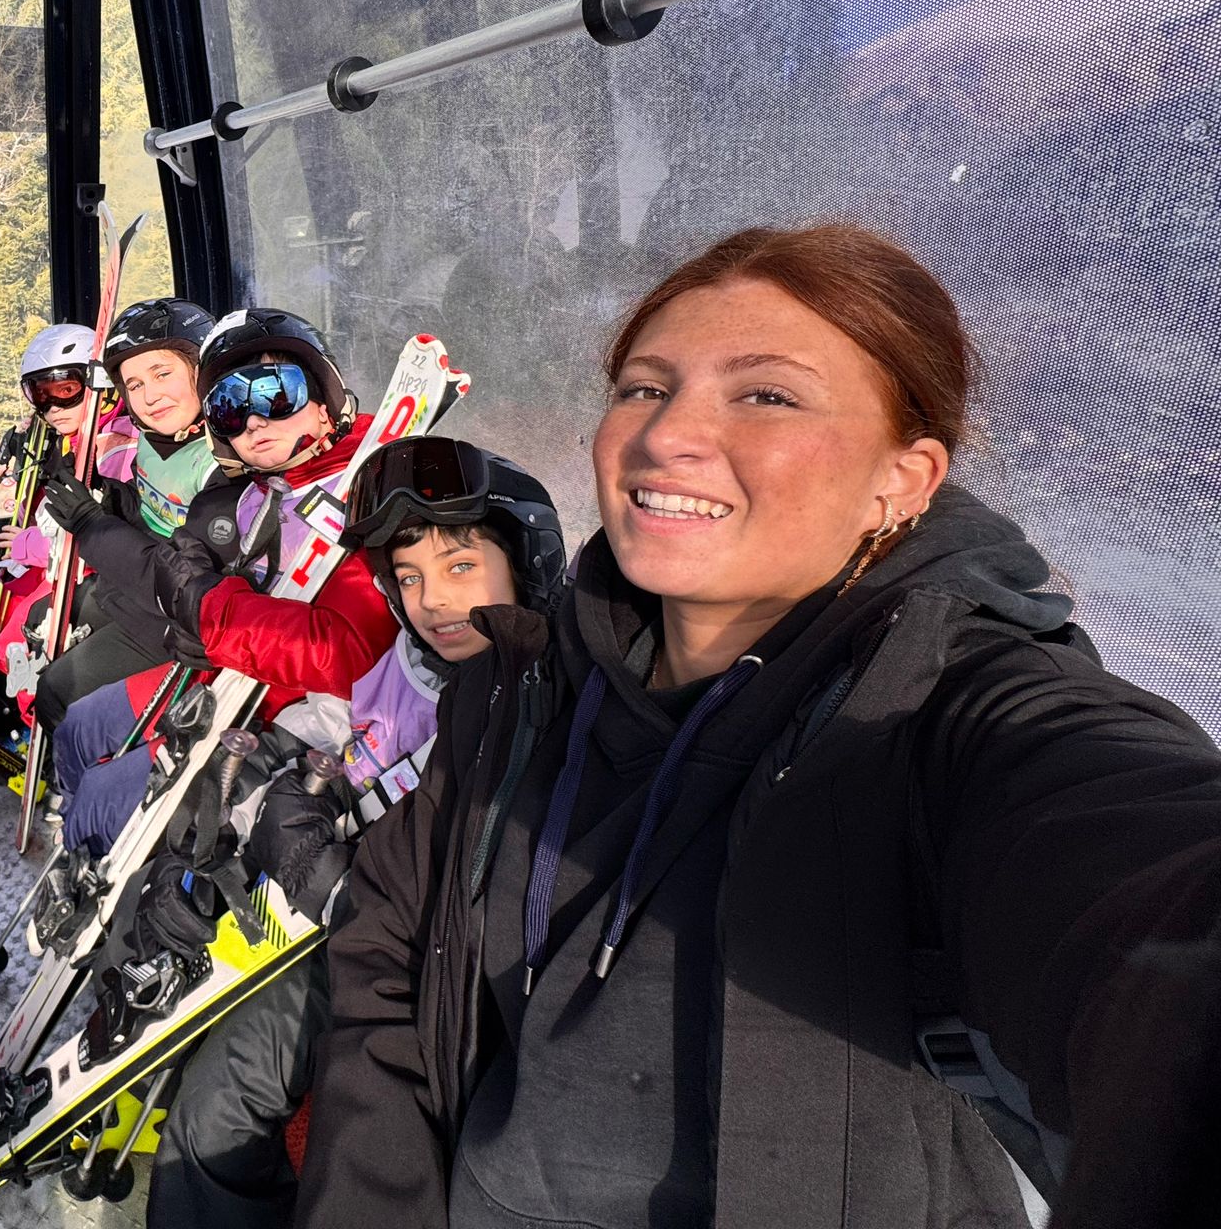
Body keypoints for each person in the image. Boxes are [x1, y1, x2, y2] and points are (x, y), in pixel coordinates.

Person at [299, 223, 1221, 1229]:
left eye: (766, 395)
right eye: (643, 388)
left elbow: (1136, 874)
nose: (663, 436)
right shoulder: (515, 689)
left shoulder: (944, 719)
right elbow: (390, 950)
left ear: (902, 480)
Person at [143, 437, 566, 1229]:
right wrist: (216, 827)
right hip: (310, 914)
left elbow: (477, 903)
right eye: (410, 577)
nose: (433, 600)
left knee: (216, 1111)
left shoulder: (540, 712)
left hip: (393, 958)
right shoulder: (408, 664)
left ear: (526, 566)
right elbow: (316, 729)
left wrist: (329, 881)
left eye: (461, 566)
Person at [45, 308, 399, 858]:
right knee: (78, 727)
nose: (253, 421)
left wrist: (207, 613)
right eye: (230, 407)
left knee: (97, 800)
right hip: (222, 670)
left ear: (324, 397)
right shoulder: (252, 495)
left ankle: (90, 852)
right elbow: (194, 575)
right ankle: (74, 834)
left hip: (286, 708)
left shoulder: (374, 488)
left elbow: (345, 653)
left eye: (275, 393)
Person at [29, 298, 221, 732]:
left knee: (56, 692)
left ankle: (83, 764)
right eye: (134, 384)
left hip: (173, 617)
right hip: (133, 590)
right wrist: (108, 495)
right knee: (43, 618)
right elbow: (152, 515)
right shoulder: (155, 438)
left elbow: (181, 577)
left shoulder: (217, 461)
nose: (150, 396)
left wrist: (91, 522)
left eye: (162, 374)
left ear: (203, 369)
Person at [0, 323, 138, 733]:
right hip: (59, 560)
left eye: (65, 390)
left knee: (18, 635)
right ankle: (32, 722)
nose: (53, 407)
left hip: (93, 573)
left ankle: (47, 727)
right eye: (39, 394)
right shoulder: (72, 442)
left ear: (100, 386)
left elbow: (111, 534)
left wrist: (31, 545)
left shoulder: (117, 447)